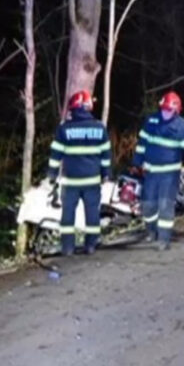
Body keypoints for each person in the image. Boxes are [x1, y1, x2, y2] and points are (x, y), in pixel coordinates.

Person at [133, 91, 184, 251]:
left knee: (165, 205)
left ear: (176, 111)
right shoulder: (151, 121)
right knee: (148, 204)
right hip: (150, 172)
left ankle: (164, 239)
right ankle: (151, 231)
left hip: (169, 174)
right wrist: (137, 161)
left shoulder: (181, 126)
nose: (166, 114)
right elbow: (142, 142)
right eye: (164, 110)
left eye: (169, 111)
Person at [47, 90, 111, 256]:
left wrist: (52, 176)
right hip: (92, 181)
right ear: (88, 107)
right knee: (92, 214)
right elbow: (106, 155)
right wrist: (106, 174)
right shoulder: (99, 128)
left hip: (71, 182)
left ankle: (68, 248)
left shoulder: (64, 129)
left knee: (67, 216)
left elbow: (55, 155)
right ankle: (90, 246)